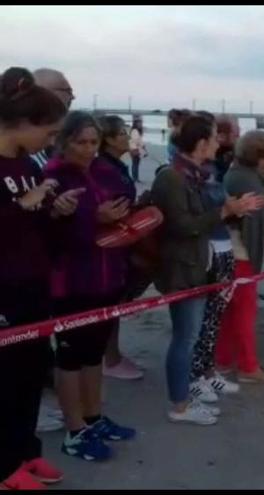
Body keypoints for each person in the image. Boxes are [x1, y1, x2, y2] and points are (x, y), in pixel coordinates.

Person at [151, 114, 264, 425]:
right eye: (214, 138)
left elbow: (201, 219)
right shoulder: (172, 177)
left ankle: (190, 389)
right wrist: (225, 210)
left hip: (200, 264)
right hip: (183, 269)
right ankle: (180, 405)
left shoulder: (197, 174)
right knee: (185, 336)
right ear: (201, 143)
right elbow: (183, 226)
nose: (218, 144)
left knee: (196, 331)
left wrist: (232, 210)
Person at [0, 66, 76, 490]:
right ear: (24, 122)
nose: (50, 143)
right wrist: (23, 206)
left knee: (32, 371)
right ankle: (4, 465)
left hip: (33, 282)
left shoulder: (28, 163)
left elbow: (37, 230)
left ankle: (26, 452)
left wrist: (55, 211)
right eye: (48, 133)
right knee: (6, 379)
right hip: (3, 291)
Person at [45, 111, 137, 461]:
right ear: (64, 142)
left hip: (107, 274)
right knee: (69, 356)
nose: (87, 149)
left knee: (94, 353)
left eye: (93, 142)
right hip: (70, 281)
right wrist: (92, 217)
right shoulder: (53, 176)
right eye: (80, 142)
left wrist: (121, 214)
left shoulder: (104, 169)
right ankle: (74, 429)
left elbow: (123, 199)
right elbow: (50, 235)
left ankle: (94, 416)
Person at [215, 130, 264, 377]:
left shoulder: (242, 174)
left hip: (233, 250)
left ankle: (224, 359)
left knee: (230, 311)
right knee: (243, 312)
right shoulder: (247, 180)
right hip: (241, 253)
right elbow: (261, 220)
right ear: (259, 155)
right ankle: (248, 366)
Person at [95, 115, 144, 382]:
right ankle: (109, 358)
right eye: (123, 133)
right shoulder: (104, 168)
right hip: (110, 243)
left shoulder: (117, 165)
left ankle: (112, 354)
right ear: (110, 140)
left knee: (117, 300)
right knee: (110, 303)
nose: (128, 137)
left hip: (121, 240)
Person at [129, 116, 146, 182]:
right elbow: (136, 140)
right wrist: (142, 145)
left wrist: (142, 145)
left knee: (136, 163)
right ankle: (135, 178)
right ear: (135, 123)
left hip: (135, 148)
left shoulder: (136, 131)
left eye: (141, 123)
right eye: (139, 123)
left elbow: (138, 140)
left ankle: (135, 178)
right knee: (135, 163)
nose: (140, 124)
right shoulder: (135, 131)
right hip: (134, 149)